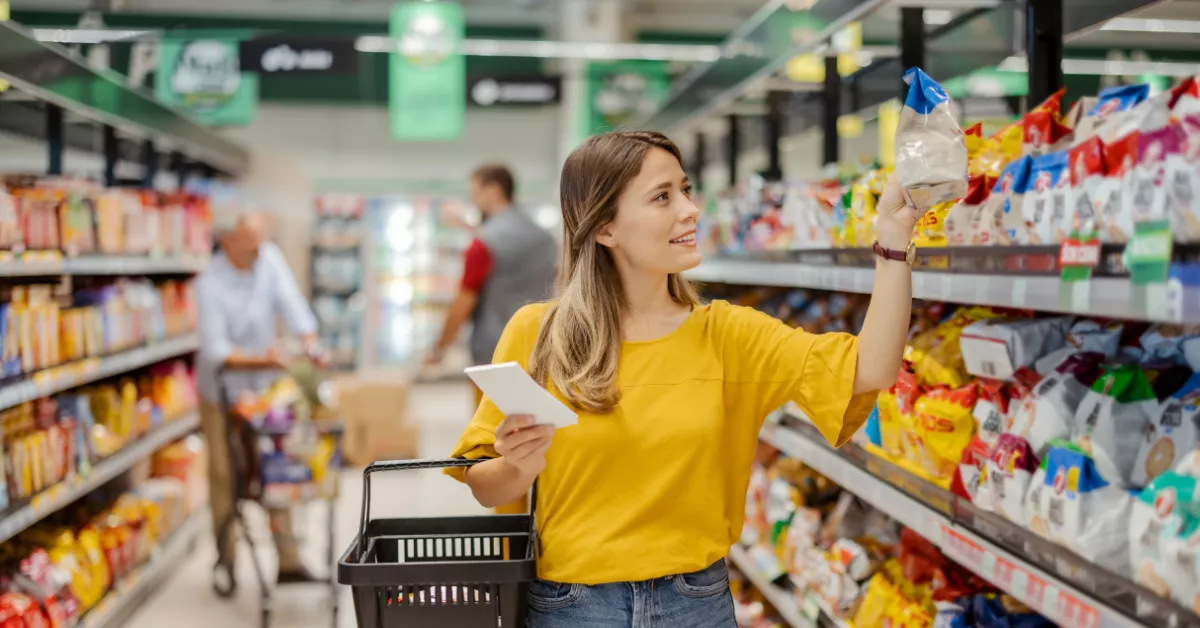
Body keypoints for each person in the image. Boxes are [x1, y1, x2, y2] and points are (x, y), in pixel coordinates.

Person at [446, 131, 917, 627]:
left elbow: (872, 367)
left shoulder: (729, 336)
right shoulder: (540, 335)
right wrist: (519, 466)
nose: (690, 210)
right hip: (572, 607)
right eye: (663, 196)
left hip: (696, 604)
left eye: (686, 190)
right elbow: (485, 486)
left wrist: (892, 240)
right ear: (605, 227)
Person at [196, 211, 323, 591]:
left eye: (260, 239)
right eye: (250, 241)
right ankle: (226, 559)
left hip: (264, 391)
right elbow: (218, 351)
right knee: (224, 474)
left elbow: (293, 304)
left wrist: (310, 341)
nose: (258, 247)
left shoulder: (268, 259)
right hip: (221, 392)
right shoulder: (209, 282)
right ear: (229, 241)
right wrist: (272, 358)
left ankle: (288, 559)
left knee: (277, 465)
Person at [427, 164, 557, 514]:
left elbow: (463, 301)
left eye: (475, 191)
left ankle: (510, 547)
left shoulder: (483, 244)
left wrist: (438, 347)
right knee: (547, 449)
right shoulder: (546, 239)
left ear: (493, 190)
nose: (472, 199)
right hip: (549, 356)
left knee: (501, 455)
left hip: (494, 360)